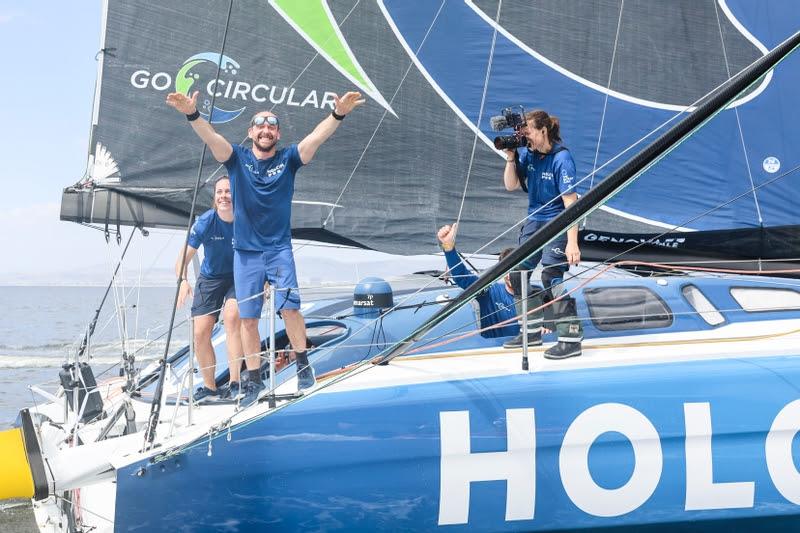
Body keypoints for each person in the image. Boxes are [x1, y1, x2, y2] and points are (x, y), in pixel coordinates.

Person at [167, 89, 364, 405]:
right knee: (248, 319)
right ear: (251, 133)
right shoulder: (237, 159)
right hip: (246, 253)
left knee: (290, 308)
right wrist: (192, 114)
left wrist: (338, 114)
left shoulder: (288, 160)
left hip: (278, 250)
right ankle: (253, 380)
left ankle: (302, 363)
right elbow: (211, 138)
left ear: (277, 133)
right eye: (260, 125)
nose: (265, 130)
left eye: (271, 126)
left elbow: (315, 139)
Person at [502, 109, 583, 359]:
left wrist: (572, 243)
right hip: (534, 220)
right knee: (517, 273)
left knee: (551, 275)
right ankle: (532, 331)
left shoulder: (562, 159)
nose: (527, 138)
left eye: (530, 133)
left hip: (559, 221)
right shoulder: (528, 154)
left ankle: (571, 338)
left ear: (543, 130)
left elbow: (572, 204)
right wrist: (511, 157)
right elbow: (511, 185)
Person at [175, 175, 243, 402]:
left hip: (238, 275)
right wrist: (184, 280)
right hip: (211, 277)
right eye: (220, 192)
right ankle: (210, 387)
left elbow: (263, 250)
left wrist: (263, 279)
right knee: (200, 332)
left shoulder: (245, 220)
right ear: (215, 197)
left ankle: (235, 382)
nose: (224, 196)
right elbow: (181, 260)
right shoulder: (205, 222)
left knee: (232, 317)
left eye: (228, 191)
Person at [437, 223, 519, 339]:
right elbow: (463, 278)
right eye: (508, 271)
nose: (511, 275)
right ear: (503, 273)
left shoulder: (539, 293)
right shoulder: (489, 291)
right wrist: (448, 247)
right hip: (494, 351)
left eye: (516, 270)